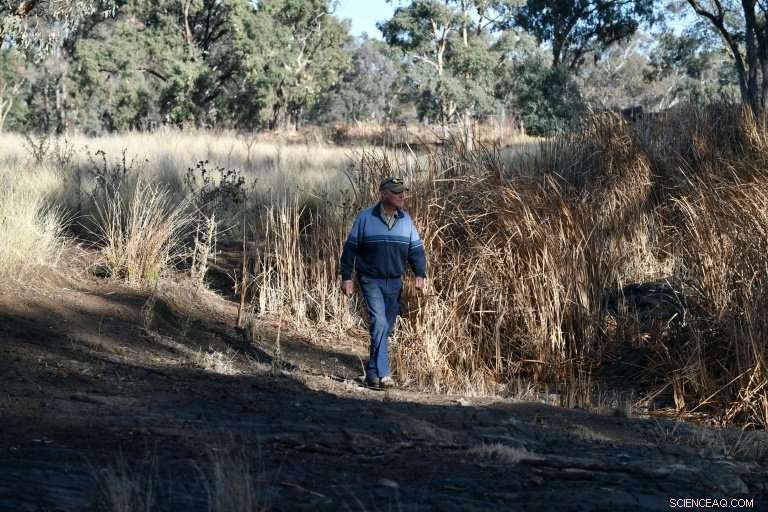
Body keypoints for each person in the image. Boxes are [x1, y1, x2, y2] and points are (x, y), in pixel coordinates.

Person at [339, 176, 427, 389]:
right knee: (379, 323)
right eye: (396, 192)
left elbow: (416, 250)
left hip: (395, 282)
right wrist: (347, 277)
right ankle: (385, 374)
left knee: (385, 329)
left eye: (402, 191)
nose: (401, 195)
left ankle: (371, 373)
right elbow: (350, 249)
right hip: (370, 279)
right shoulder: (365, 218)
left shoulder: (406, 221)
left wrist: (419, 273)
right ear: (383, 194)